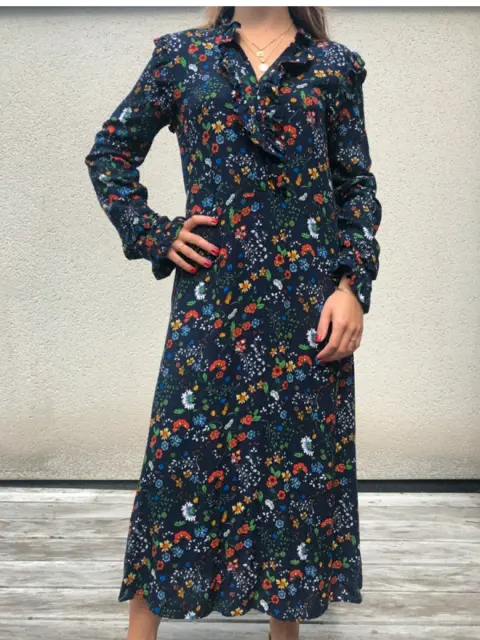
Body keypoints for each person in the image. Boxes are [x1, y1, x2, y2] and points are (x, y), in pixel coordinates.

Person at [84, 5, 382, 640]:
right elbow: (110, 152)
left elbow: (355, 187)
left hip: (307, 306)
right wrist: (154, 233)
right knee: (181, 459)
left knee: (294, 473)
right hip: (212, 299)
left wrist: (351, 287)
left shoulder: (333, 66)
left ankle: (284, 630)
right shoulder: (184, 57)